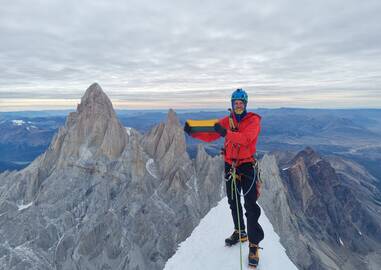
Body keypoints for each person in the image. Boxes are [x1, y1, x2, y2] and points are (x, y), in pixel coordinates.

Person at [184, 88, 264, 268]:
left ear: (245, 104)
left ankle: (253, 245)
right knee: (233, 200)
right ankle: (240, 231)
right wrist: (193, 131)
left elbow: (245, 139)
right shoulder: (228, 121)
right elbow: (212, 133)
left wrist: (225, 133)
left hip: (247, 165)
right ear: (232, 104)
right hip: (231, 165)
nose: (238, 106)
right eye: (235, 103)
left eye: (241, 103)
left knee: (250, 206)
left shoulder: (253, 120)